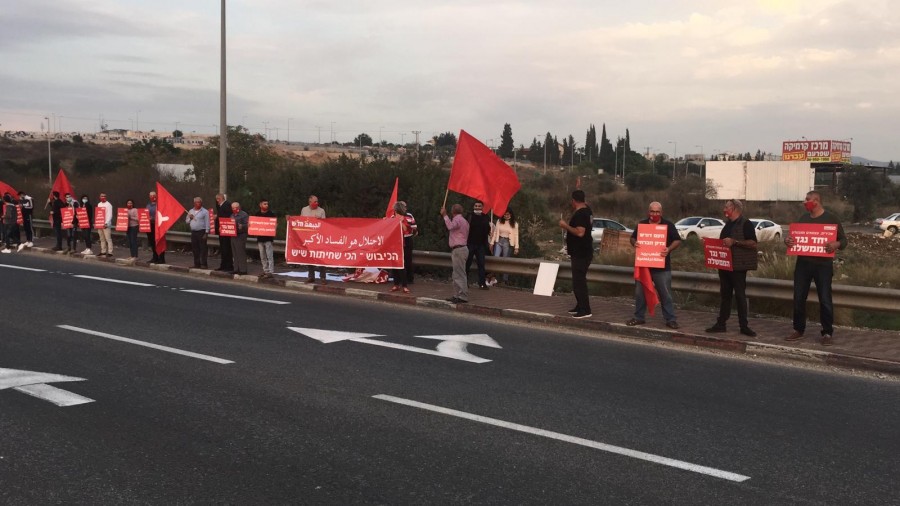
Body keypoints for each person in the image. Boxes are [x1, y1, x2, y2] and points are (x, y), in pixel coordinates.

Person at [784, 191, 848, 346]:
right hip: (803, 264)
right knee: (799, 297)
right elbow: (795, 238)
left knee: (825, 299)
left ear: (816, 201)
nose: (804, 202)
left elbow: (844, 240)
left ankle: (827, 332)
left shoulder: (831, 218)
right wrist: (788, 241)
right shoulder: (803, 218)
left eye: (807, 200)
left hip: (823, 265)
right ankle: (798, 329)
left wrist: (836, 244)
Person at [705, 199, 758, 337]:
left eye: (726, 207)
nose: (724, 209)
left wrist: (735, 242)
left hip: (738, 267)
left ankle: (744, 326)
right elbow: (724, 243)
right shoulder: (728, 224)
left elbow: (753, 243)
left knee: (740, 296)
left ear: (734, 208)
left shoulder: (746, 224)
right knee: (725, 296)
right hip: (725, 265)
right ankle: (721, 323)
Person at [628, 201, 682, 328]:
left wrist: (668, 249)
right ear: (648, 212)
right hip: (644, 266)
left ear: (661, 212)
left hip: (662, 267)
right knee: (640, 293)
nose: (655, 214)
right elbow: (632, 238)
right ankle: (639, 317)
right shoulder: (642, 224)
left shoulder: (668, 225)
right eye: (652, 211)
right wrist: (634, 243)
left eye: (657, 212)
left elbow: (677, 240)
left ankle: (670, 319)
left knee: (665, 294)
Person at [558, 190, 594, 319]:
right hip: (582, 251)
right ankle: (580, 305)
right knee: (577, 281)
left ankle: (585, 309)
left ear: (573, 201)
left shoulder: (580, 214)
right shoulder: (587, 210)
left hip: (581, 253)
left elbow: (580, 233)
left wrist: (565, 226)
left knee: (579, 281)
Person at [441, 203, 470, 303]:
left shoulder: (457, 219)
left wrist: (444, 215)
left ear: (453, 211)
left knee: (459, 273)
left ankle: (462, 296)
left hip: (458, 249)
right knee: (457, 273)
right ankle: (457, 294)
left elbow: (450, 226)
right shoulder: (465, 221)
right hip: (462, 248)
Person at [300, 195, 327, 284]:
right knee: (309, 258)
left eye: (317, 201)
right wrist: (290, 219)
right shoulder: (304, 210)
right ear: (310, 202)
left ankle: (323, 277)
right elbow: (300, 222)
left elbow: (326, 225)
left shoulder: (321, 211)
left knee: (320, 258)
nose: (316, 203)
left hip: (318, 238)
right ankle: (311, 277)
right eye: (315, 201)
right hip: (308, 238)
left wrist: (320, 220)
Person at [465, 200, 492, 290]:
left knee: (481, 264)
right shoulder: (469, 216)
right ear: (473, 207)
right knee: (467, 263)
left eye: (479, 206)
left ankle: (482, 283)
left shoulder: (486, 217)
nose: (477, 207)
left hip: (481, 245)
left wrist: (490, 230)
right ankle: (464, 282)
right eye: (476, 206)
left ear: (482, 207)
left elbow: (487, 229)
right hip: (470, 243)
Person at [490, 207, 519, 283]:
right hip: (499, 240)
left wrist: (516, 247)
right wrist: (492, 242)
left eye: (508, 214)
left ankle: (505, 279)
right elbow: (496, 232)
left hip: (508, 242)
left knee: (505, 259)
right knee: (496, 258)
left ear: (511, 215)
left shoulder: (514, 224)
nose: (506, 216)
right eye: (505, 214)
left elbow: (516, 235)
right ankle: (493, 277)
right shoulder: (499, 221)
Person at [389, 201, 412, 293]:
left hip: (400, 244)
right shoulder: (391, 218)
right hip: (392, 244)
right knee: (394, 265)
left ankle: (405, 286)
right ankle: (396, 284)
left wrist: (400, 221)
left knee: (401, 265)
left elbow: (406, 229)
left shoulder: (404, 218)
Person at [254, 198, 276, 278]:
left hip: (268, 239)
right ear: (260, 205)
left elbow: (275, 224)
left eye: (267, 204)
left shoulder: (271, 214)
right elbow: (254, 224)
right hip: (260, 238)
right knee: (262, 256)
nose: (266, 205)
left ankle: (270, 272)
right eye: (264, 204)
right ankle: (265, 270)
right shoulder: (257, 214)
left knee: (269, 255)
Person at [186, 197, 209, 268]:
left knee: (203, 248)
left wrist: (206, 232)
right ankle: (196, 263)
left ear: (201, 203)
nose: (198, 204)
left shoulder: (205, 211)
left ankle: (204, 264)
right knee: (195, 249)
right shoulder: (190, 211)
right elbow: (186, 221)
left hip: (201, 231)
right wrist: (190, 218)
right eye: (196, 202)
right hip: (194, 232)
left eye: (199, 202)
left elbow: (207, 222)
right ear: (194, 203)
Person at [214, 193, 233, 272]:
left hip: (226, 229)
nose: (216, 201)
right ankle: (223, 265)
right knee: (223, 248)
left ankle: (228, 266)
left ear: (220, 198)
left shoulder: (227, 204)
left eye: (217, 199)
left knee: (226, 248)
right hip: (221, 230)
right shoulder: (220, 206)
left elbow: (227, 216)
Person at [230, 201, 250, 275]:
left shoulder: (244, 214)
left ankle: (243, 270)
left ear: (239, 207)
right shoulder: (232, 215)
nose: (234, 209)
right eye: (232, 208)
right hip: (233, 235)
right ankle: (236, 269)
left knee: (241, 253)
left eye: (235, 207)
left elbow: (248, 224)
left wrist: (243, 226)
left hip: (241, 235)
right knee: (235, 253)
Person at [146, 191, 165, 264]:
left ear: (156, 196)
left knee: (159, 241)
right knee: (152, 242)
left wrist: (153, 218)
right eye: (151, 196)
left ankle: (161, 258)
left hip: (158, 225)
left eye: (154, 195)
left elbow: (161, 215)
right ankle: (155, 257)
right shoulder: (148, 205)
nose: (152, 197)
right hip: (150, 225)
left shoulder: (159, 205)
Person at [95, 192, 114, 257]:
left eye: (104, 196)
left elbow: (109, 215)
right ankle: (103, 251)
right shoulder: (99, 204)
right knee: (102, 239)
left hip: (106, 225)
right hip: (100, 224)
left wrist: (106, 223)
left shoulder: (108, 205)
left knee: (108, 239)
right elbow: (98, 214)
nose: (103, 197)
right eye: (101, 196)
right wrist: (97, 222)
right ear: (99, 197)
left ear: (106, 197)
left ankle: (110, 252)